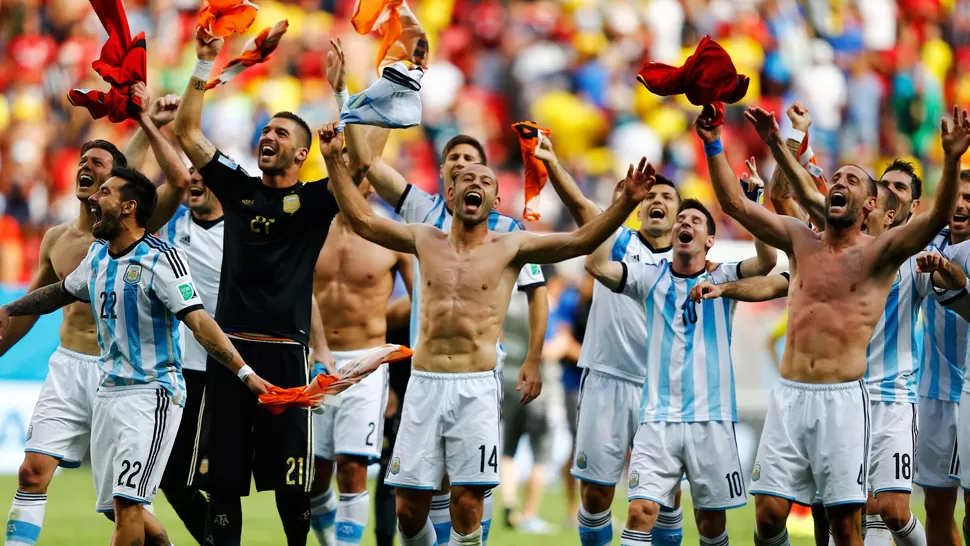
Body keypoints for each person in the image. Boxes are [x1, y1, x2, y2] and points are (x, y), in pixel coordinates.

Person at [318, 121, 656, 546]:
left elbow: (579, 241)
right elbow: (363, 219)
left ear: (495, 199)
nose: (474, 183)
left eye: (484, 179)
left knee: (466, 506)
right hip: (424, 384)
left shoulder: (510, 245)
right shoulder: (424, 237)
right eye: (464, 179)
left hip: (475, 387)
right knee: (407, 509)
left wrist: (625, 204)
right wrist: (333, 159)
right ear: (450, 194)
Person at [702, 102, 969, 546]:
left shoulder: (882, 254)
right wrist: (713, 141)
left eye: (852, 180)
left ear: (869, 204)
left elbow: (937, 218)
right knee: (768, 517)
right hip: (789, 396)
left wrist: (953, 156)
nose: (838, 182)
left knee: (852, 524)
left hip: (851, 400)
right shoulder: (799, 239)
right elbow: (734, 203)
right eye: (837, 178)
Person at [327, 39, 548, 544]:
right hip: (423, 365)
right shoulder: (419, 211)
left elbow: (537, 291)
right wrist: (343, 93)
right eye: (455, 161)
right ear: (446, 176)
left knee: (467, 489)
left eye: (473, 161)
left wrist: (534, 356)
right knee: (415, 496)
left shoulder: (506, 230)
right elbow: (363, 162)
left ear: (488, 182)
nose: (463, 167)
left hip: (477, 368)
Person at [0, 156, 271, 545]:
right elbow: (60, 292)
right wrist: (11, 308)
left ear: (128, 207)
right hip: (109, 391)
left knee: (127, 506)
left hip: (152, 393)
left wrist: (245, 373)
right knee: (122, 507)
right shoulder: (97, 255)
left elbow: (198, 321)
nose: (94, 198)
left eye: (105, 192)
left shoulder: (161, 259)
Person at [1, 86, 190, 546]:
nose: (86, 167)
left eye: (99, 165)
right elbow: (30, 307)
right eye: (82, 163)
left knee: (123, 509)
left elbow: (175, 183)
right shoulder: (56, 240)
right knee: (30, 472)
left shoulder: (131, 231)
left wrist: (150, 123)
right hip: (68, 366)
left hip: (120, 376)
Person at [174, 31, 341, 546]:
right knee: (222, 482)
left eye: (283, 134)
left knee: (292, 487)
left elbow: (359, 163)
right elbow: (186, 131)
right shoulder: (238, 188)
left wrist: (341, 94)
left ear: (302, 154)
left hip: (287, 354)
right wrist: (204, 63)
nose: (269, 136)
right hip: (231, 356)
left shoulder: (316, 201)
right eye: (266, 130)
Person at [585, 191, 777, 546]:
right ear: (674, 235)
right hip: (658, 419)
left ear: (709, 241)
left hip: (712, 420)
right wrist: (619, 208)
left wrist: (752, 203)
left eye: (696, 220)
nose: (685, 222)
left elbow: (767, 260)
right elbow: (596, 266)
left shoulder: (725, 278)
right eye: (681, 220)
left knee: (711, 524)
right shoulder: (648, 277)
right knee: (641, 512)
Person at [535, 136, 690, 546]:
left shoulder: (691, 265)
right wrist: (551, 160)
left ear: (679, 215)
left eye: (668, 197)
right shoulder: (618, 241)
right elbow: (580, 206)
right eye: (651, 194)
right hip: (606, 379)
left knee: (658, 502)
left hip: (661, 391)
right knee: (596, 495)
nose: (657, 200)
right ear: (639, 207)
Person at [307, 175, 413, 546]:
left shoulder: (392, 234)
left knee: (351, 467)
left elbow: (423, 308)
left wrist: (398, 378)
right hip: (316, 362)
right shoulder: (309, 226)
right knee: (314, 475)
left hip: (365, 363)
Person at [154, 166, 224, 544]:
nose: (193, 179)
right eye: (189, 173)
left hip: (228, 370)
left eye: (202, 173)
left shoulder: (243, 231)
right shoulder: (171, 224)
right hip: (182, 372)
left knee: (223, 482)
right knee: (173, 480)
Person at [915, 170, 970, 546]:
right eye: (958, 196)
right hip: (932, 393)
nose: (962, 204)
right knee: (935, 505)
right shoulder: (926, 240)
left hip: (968, 394)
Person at [497, 289, 556, 535]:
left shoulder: (505, 300)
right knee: (540, 454)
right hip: (536, 386)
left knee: (508, 450)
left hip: (508, 382)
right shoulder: (543, 302)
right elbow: (549, 349)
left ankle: (509, 505)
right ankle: (530, 515)